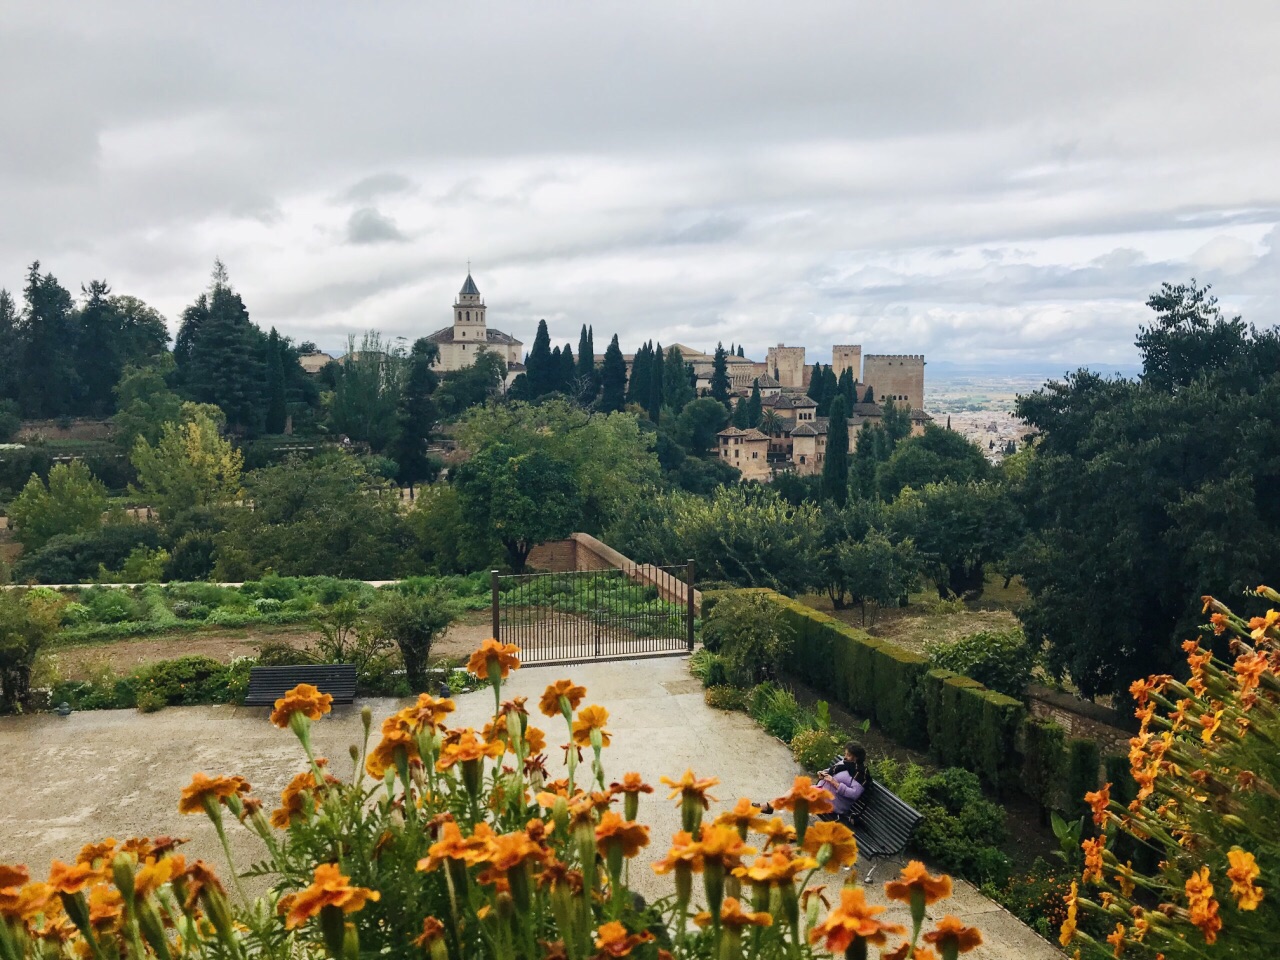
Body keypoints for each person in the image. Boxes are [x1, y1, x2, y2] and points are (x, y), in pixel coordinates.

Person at [761, 741, 871, 824]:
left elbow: (854, 794)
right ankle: (769, 806)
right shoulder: (845, 762)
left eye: (848, 755)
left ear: (856, 758)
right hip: (822, 792)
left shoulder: (860, 774)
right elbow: (830, 770)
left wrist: (835, 783)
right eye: (845, 753)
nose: (845, 757)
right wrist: (823, 773)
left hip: (834, 803)